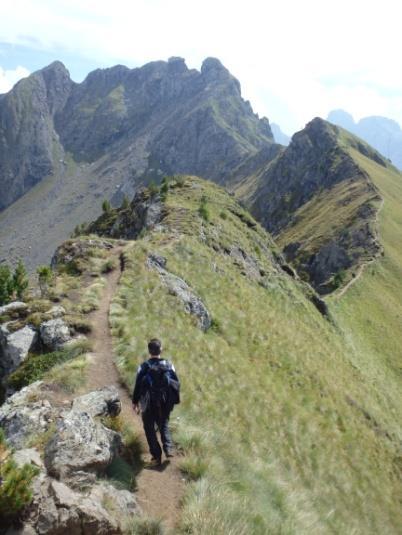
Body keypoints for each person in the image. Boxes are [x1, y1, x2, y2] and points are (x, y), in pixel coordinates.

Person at [132, 338, 180, 466]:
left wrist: (135, 401)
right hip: (164, 402)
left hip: (148, 403)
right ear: (161, 349)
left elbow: (138, 385)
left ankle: (156, 457)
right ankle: (168, 448)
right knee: (163, 423)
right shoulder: (169, 365)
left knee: (149, 428)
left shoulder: (144, 366)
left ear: (149, 351)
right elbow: (175, 383)